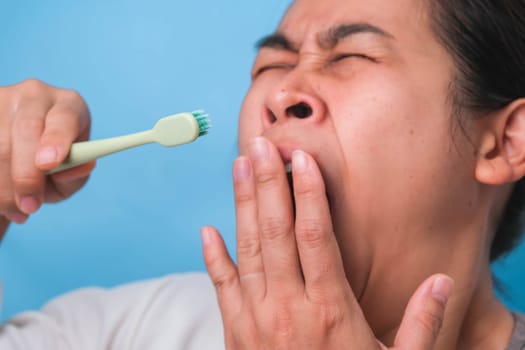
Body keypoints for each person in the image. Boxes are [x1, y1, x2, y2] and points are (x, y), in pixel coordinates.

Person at [1, 0, 525, 348]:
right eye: (271, 65)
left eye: (352, 55)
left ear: (504, 142)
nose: (280, 94)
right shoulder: (129, 329)